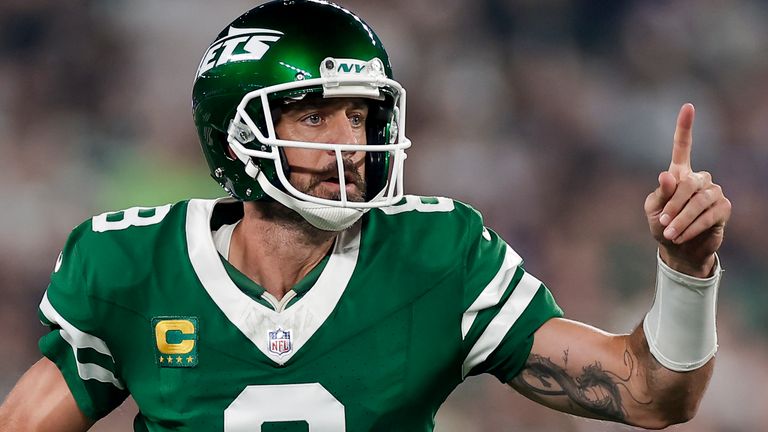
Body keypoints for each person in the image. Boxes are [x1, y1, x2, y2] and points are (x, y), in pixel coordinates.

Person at [0, 1, 731, 431]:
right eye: (315, 116)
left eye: (362, 115)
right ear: (236, 134)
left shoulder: (435, 253)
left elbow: (649, 393)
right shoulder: (132, 267)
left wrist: (687, 272)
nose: (352, 143)